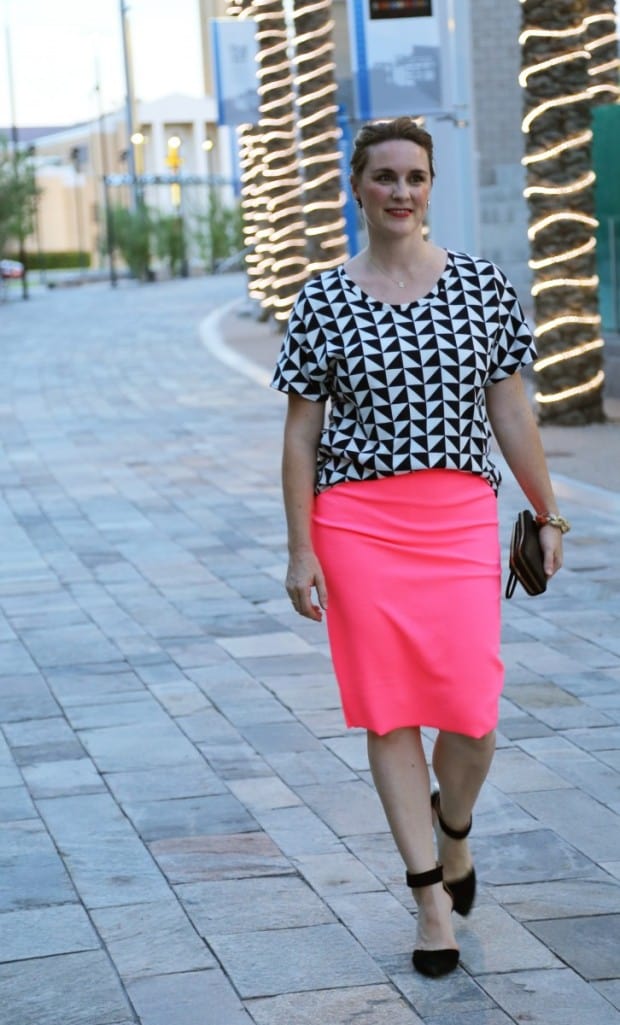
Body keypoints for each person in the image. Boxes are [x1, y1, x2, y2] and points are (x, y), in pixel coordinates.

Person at [271, 116, 568, 978]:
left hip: (459, 518)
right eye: (385, 176)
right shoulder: (322, 299)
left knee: (474, 710)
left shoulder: (480, 285)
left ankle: (454, 827)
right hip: (357, 526)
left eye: (415, 176)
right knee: (389, 709)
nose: (401, 191)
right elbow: (301, 436)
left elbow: (510, 409)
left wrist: (549, 512)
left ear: (431, 187)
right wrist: (300, 549)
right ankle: (430, 899)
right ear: (356, 187)